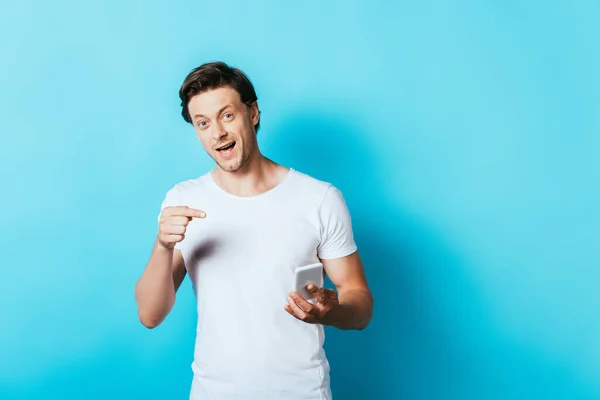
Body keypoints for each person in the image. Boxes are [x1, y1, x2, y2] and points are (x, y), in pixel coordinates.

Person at [134, 61, 374, 400]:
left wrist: (332, 312)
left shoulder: (319, 199)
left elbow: (360, 304)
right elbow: (149, 315)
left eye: (227, 116)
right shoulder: (183, 200)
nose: (217, 132)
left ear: (253, 113)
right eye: (203, 123)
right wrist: (162, 246)